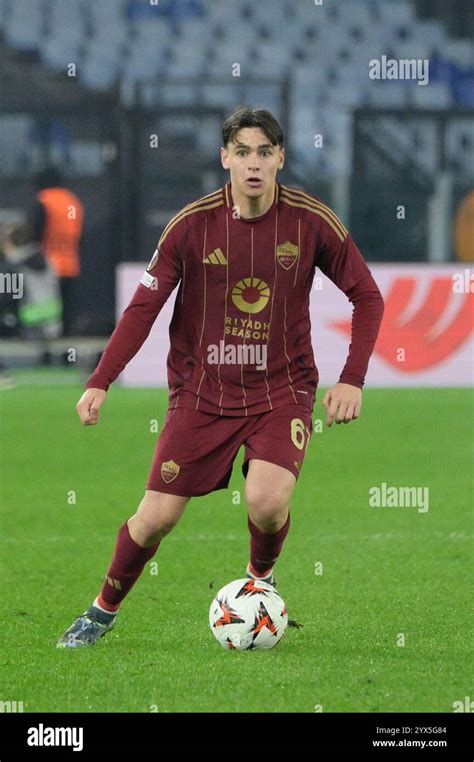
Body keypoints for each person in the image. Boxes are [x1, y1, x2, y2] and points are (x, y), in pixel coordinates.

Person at [57, 106, 384, 648]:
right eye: (243, 152)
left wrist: (352, 378)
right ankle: (100, 611)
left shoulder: (310, 221)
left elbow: (367, 296)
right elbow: (143, 308)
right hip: (202, 392)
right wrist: (100, 380)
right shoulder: (192, 225)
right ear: (225, 157)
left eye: (264, 152)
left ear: (280, 158)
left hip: (282, 388)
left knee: (267, 502)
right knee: (155, 518)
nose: (254, 164)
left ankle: (259, 582)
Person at [28, 167, 84, 336]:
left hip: (48, 263)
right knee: (66, 305)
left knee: (47, 305)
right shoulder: (72, 201)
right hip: (70, 262)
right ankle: (66, 336)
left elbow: (36, 233)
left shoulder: (44, 200)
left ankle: (48, 335)